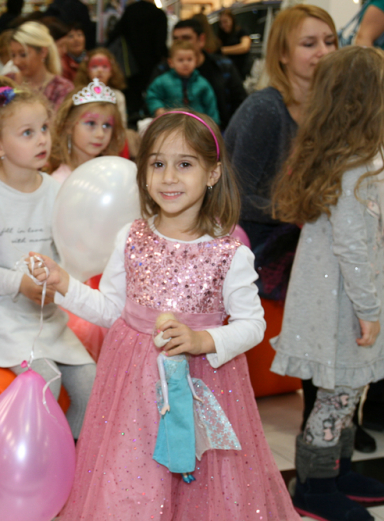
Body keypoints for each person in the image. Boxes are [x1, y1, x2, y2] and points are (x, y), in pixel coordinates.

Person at [34, 110, 299, 520]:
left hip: (204, 383)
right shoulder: (131, 236)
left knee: (206, 479)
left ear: (212, 174)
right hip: (132, 388)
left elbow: (253, 325)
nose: (169, 177)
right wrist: (64, 283)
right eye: (157, 164)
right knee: (132, 477)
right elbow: (110, 310)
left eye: (185, 164)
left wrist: (203, 340)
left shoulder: (230, 252)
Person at [270, 46, 384, 521]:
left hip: (343, 298)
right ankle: (315, 486)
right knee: (336, 396)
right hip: (340, 303)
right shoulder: (352, 165)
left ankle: (336, 471)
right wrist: (371, 310)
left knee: (346, 392)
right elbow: (352, 248)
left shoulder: (354, 156)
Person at [0, 77, 96, 440]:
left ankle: (67, 466)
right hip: (3, 320)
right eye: (27, 133)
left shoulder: (57, 190)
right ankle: (36, 470)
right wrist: (18, 283)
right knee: (46, 385)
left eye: (43, 129)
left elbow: (67, 252)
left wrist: (60, 280)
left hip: (47, 318)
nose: (41, 139)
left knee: (92, 386)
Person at [224, 5, 337, 259]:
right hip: (251, 253)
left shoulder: (326, 111)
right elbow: (234, 196)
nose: (324, 52)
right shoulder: (265, 109)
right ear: (283, 54)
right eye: (309, 44)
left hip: (296, 243)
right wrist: (299, 211)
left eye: (330, 42)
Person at [169, 18, 246, 130]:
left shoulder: (223, 66)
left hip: (218, 132)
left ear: (201, 40)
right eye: (176, 39)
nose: (181, 43)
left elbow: (240, 103)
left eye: (186, 38)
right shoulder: (165, 69)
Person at [49, 78, 125, 182]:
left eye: (107, 125)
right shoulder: (59, 182)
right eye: (91, 123)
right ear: (69, 126)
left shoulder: (113, 173)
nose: (100, 134)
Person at [106, 0, 166, 119]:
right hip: (151, 63)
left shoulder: (131, 10)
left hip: (130, 63)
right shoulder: (159, 14)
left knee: (132, 97)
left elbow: (115, 34)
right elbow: (160, 43)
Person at [146, 40, 220, 124]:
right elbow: (152, 96)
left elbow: (211, 106)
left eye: (189, 59)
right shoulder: (162, 81)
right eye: (180, 60)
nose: (185, 63)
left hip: (197, 124)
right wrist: (158, 109)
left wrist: (214, 124)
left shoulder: (202, 83)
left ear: (195, 61)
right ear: (171, 63)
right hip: (170, 123)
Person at [6, 21, 73, 111]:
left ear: (43, 52)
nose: (16, 62)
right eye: (13, 55)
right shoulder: (6, 83)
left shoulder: (62, 89)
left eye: (23, 55)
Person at [74, 47, 127, 127]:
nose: (100, 70)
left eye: (105, 67)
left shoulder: (118, 96)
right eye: (94, 66)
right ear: (86, 70)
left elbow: (122, 125)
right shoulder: (80, 95)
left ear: (112, 71)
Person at [217, 9, 251, 79]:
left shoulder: (241, 31)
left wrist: (223, 50)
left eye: (225, 22)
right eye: (221, 23)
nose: (223, 25)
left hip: (242, 70)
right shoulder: (221, 36)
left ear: (232, 20)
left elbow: (244, 47)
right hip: (228, 72)